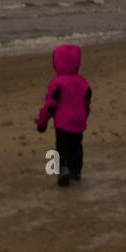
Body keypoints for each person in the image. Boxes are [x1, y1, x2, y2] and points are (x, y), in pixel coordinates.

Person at [35, 44, 91, 187]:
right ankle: (76, 170)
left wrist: (42, 123)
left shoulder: (57, 83)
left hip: (63, 123)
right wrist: (84, 118)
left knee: (61, 146)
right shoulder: (84, 83)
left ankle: (62, 169)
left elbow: (50, 105)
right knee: (77, 146)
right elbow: (86, 105)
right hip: (78, 122)